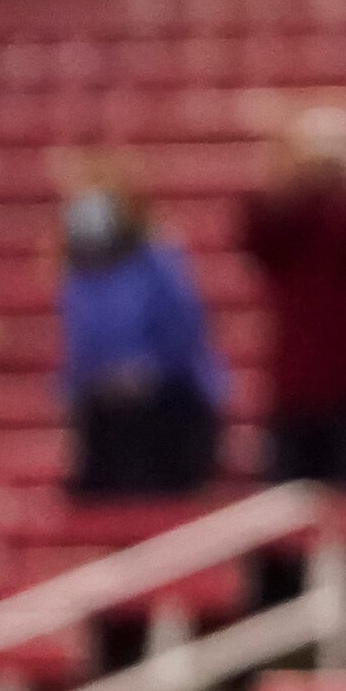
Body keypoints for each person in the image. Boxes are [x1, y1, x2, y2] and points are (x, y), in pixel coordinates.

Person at [239, 107, 346, 490]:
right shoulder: (288, 222)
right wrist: (290, 179)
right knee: (281, 526)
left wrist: (342, 189)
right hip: (295, 396)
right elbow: (257, 235)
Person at [57, 170, 226, 499]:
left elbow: (184, 333)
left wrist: (148, 370)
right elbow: (79, 350)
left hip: (167, 409)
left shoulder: (159, 264)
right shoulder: (79, 277)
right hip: (107, 416)